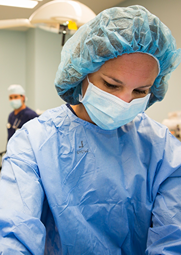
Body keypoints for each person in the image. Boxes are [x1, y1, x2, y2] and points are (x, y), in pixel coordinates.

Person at [0, 5, 181, 255]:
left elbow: (173, 238)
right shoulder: (34, 141)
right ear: (82, 74)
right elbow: (13, 233)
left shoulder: (164, 150)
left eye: (140, 91)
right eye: (111, 85)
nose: (125, 101)